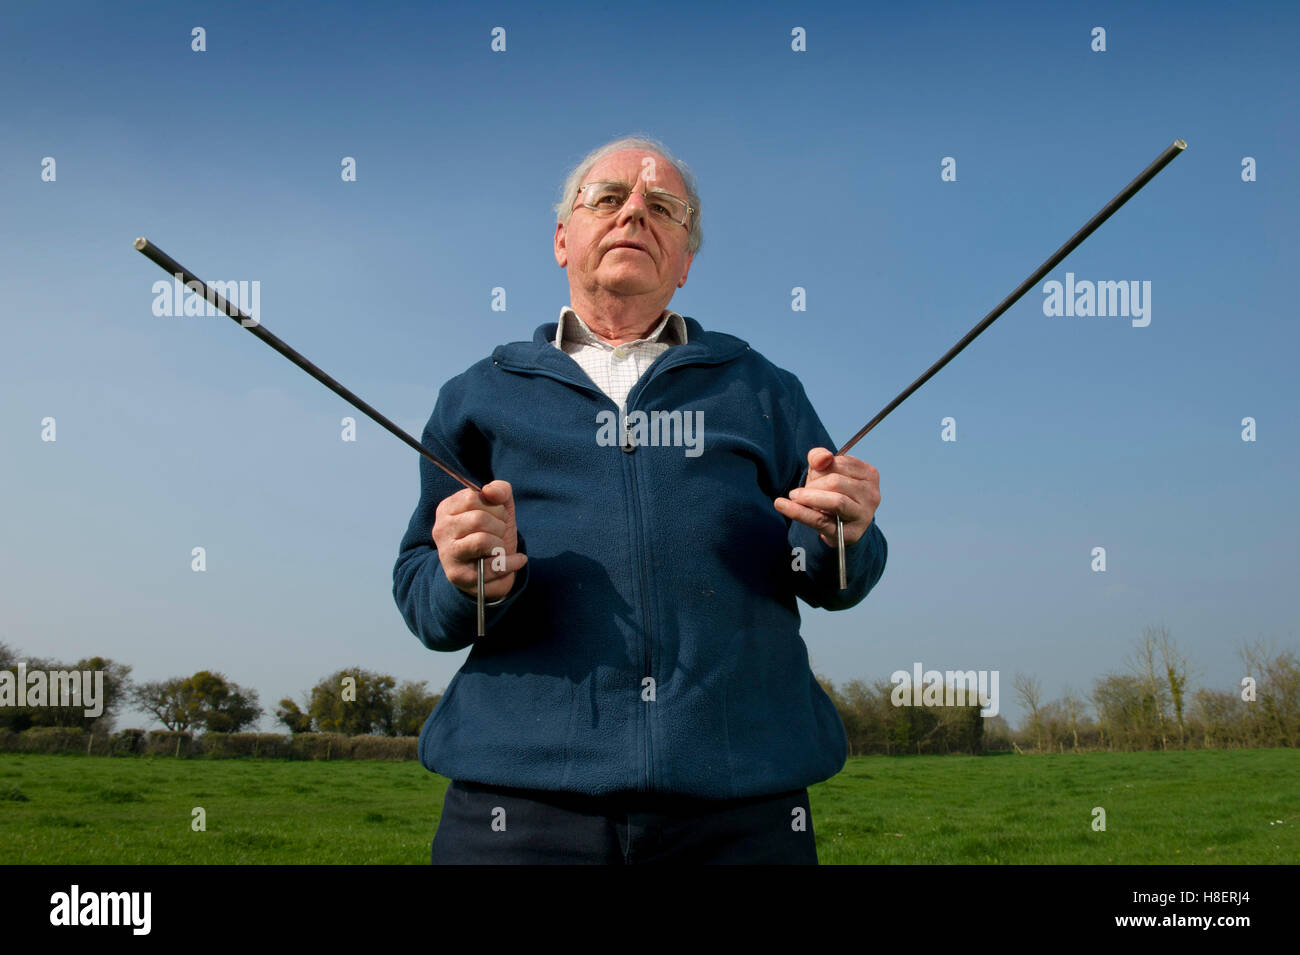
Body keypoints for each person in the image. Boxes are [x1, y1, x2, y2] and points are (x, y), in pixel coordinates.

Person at [393, 135, 887, 864]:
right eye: (608, 198)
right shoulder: (477, 396)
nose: (634, 214)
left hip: (741, 808)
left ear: (685, 259)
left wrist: (841, 537)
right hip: (516, 811)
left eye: (662, 207)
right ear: (564, 238)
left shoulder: (763, 390)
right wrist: (464, 582)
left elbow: (838, 577)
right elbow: (421, 591)